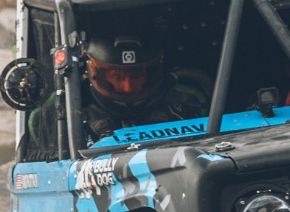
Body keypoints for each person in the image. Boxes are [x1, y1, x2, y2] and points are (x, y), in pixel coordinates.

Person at [23, 36, 209, 156]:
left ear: (152, 72)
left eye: (136, 76)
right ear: (91, 71)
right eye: (116, 77)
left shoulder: (186, 101)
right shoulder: (53, 116)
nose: (128, 87)